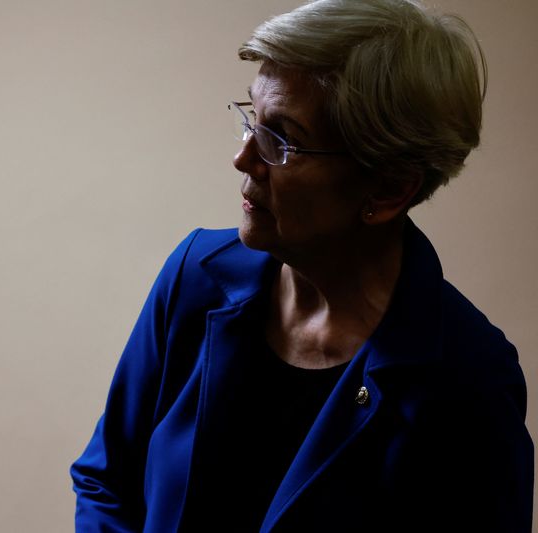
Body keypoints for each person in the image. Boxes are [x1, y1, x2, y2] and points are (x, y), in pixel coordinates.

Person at [70, 0, 534, 531]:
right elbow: (106, 480)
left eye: (281, 139)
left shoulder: (468, 379)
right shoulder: (196, 274)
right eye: (252, 120)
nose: (243, 159)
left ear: (388, 189)